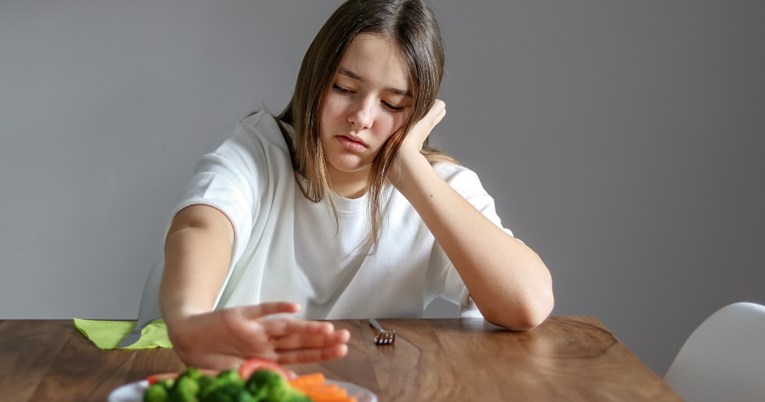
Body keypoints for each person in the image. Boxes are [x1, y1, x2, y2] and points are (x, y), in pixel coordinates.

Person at [159, 0, 554, 371]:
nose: (361, 117)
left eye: (393, 104)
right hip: (242, 378)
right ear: (314, 79)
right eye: (344, 89)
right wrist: (191, 318)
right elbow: (201, 225)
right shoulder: (259, 149)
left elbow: (528, 303)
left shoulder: (438, 187)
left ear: (419, 114)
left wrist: (408, 170)